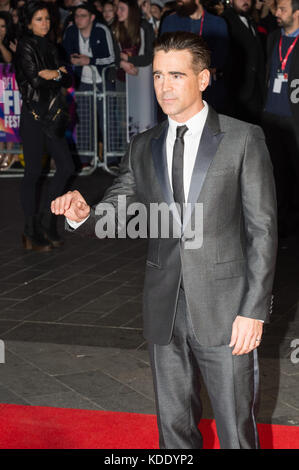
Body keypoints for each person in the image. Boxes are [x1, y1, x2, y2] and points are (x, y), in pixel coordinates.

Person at [51, 31, 277, 449]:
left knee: (235, 432)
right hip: (164, 307)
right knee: (173, 434)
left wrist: (254, 311)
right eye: (157, 76)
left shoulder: (243, 139)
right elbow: (118, 210)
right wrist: (85, 214)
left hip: (227, 311)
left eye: (176, 75)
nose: (164, 87)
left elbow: (263, 230)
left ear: (203, 79)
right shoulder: (143, 145)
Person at [15, 0, 75, 251]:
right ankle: (30, 230)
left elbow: (67, 76)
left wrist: (54, 74)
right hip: (34, 116)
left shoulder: (52, 46)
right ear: (29, 23)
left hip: (52, 115)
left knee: (66, 166)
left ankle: (47, 220)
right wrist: (53, 74)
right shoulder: (25, 46)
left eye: (47, 19)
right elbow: (35, 81)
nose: (45, 23)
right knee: (32, 173)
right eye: (39, 19)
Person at [262, 0, 299, 239]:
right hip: (270, 117)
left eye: (282, 9)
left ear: (297, 13)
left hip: (294, 119)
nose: (276, 13)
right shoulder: (273, 38)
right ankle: (282, 226)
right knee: (276, 175)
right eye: (276, 8)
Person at [62, 3, 115, 166]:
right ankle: (85, 159)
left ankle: (112, 159)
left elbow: (111, 58)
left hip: (102, 82)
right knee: (84, 121)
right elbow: (63, 55)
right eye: (77, 16)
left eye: (83, 16)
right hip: (81, 82)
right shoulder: (70, 31)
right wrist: (71, 60)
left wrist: (89, 60)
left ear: (92, 17)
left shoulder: (101, 30)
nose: (79, 19)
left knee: (108, 120)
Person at [159, 0, 230, 113]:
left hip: (209, 90)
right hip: (177, 90)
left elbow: (222, 56)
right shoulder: (170, 22)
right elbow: (163, 54)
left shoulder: (218, 23)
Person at [222, 0, 265, 123]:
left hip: (255, 91)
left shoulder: (250, 20)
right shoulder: (225, 21)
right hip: (237, 93)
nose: (245, 1)